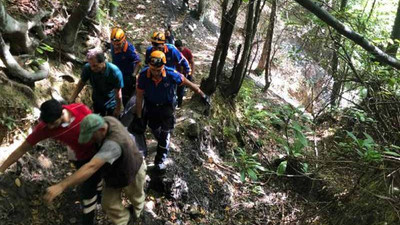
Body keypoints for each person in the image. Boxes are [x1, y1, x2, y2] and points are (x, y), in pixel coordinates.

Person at [0, 99, 101, 225]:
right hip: (79, 158)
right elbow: (22, 149)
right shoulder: (45, 128)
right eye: (48, 124)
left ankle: (92, 210)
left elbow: (98, 127)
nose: (51, 127)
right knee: (89, 186)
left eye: (53, 123)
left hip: (98, 152)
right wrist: (1, 169)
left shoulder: (80, 110)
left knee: (89, 189)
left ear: (62, 112)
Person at [44, 114, 147, 225]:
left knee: (136, 196)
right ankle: (125, 220)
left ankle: (137, 214)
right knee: (108, 203)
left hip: (133, 169)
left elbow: (91, 167)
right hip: (113, 173)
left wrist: (61, 185)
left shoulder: (112, 144)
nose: (90, 141)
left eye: (92, 137)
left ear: (102, 130)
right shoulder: (107, 120)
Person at [133, 51, 209, 171]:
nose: (156, 73)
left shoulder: (171, 74)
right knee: (153, 128)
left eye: (158, 70)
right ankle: (163, 143)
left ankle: (160, 160)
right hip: (151, 106)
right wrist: (138, 116)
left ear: (163, 66)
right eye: (153, 70)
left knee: (165, 132)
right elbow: (139, 96)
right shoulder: (143, 76)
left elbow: (188, 83)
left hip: (167, 106)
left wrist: (202, 95)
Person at [70, 49, 124, 117]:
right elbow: (81, 83)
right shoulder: (87, 68)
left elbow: (118, 94)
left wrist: (118, 109)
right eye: (90, 65)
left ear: (102, 62)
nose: (92, 68)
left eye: (95, 65)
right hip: (96, 101)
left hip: (111, 103)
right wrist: (72, 98)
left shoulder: (115, 72)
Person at [110, 28, 142, 106]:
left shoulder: (129, 49)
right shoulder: (113, 45)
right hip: (116, 74)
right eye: (114, 44)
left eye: (118, 44)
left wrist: (134, 74)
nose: (116, 46)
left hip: (127, 77)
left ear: (123, 41)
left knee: (127, 98)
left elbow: (139, 62)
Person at [175, 39, 195, 107]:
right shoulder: (175, 52)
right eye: (177, 49)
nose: (179, 50)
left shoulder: (187, 51)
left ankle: (179, 104)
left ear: (182, 46)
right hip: (176, 72)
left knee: (181, 88)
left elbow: (192, 62)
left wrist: (191, 73)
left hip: (185, 73)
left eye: (180, 48)